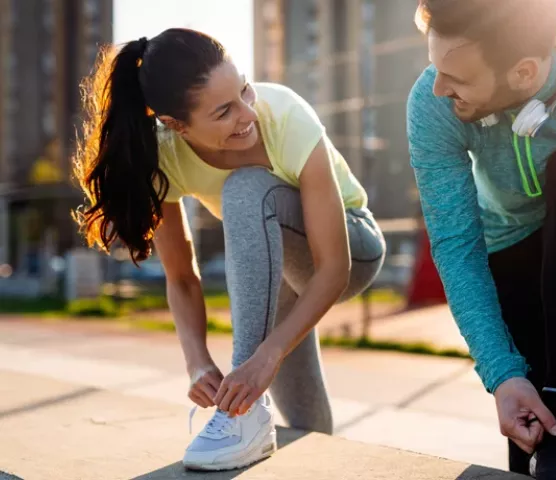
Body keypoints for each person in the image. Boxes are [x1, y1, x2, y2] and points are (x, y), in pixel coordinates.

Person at [72, 28, 385, 471]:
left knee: (245, 189)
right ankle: (289, 446)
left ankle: (237, 417)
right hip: (277, 267)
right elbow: (181, 276)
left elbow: (335, 268)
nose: (247, 114)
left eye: (243, 89)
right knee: (303, 418)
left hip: (353, 249)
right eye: (224, 111)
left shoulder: (286, 116)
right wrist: (197, 363)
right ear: (175, 125)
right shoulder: (164, 158)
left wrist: (265, 356)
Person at [406, 1, 556, 478]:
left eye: (455, 77)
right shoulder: (431, 104)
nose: (437, 87)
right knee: (530, 421)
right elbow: (456, 246)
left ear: (524, 71)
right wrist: (502, 374)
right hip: (509, 243)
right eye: (435, 66)